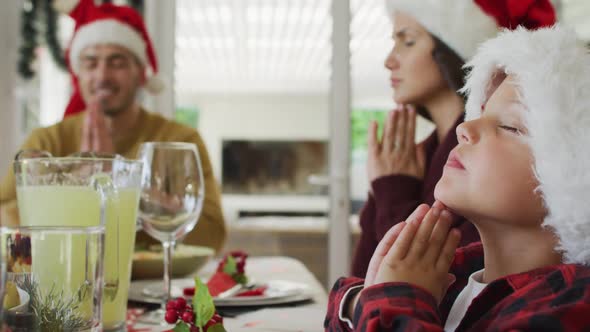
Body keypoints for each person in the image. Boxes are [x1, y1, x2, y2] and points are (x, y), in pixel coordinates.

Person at [326, 25, 590, 331]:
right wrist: (366, 300)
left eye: (510, 126)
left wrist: (393, 299)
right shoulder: (456, 273)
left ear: (575, 177)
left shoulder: (572, 307)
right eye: (480, 112)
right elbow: (342, 299)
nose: (465, 129)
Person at [0, 0, 226, 252]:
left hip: (150, 284)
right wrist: (76, 184)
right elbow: (4, 217)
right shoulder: (46, 140)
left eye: (117, 63)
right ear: (78, 73)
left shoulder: (181, 139)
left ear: (140, 74)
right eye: (90, 63)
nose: (102, 76)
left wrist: (124, 184)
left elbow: (213, 235)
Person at [352, 0, 556, 277]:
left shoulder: (491, 164)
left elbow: (429, 287)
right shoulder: (403, 159)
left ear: (453, 48)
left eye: (408, 41)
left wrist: (393, 191)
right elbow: (361, 280)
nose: (389, 61)